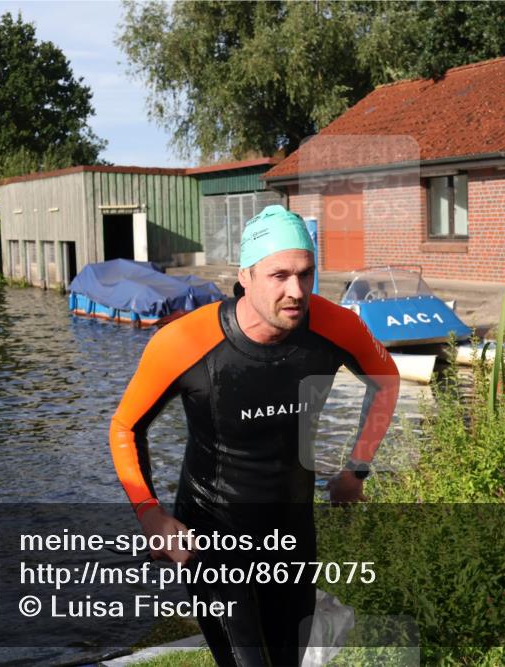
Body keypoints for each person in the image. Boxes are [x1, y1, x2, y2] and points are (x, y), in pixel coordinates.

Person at [110, 204, 400, 666]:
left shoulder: (335, 326)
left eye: (305, 274)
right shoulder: (184, 342)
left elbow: (387, 380)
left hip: (292, 534)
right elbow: (125, 427)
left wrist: (356, 470)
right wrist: (150, 516)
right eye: (278, 275)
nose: (296, 291)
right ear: (245, 275)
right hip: (213, 535)